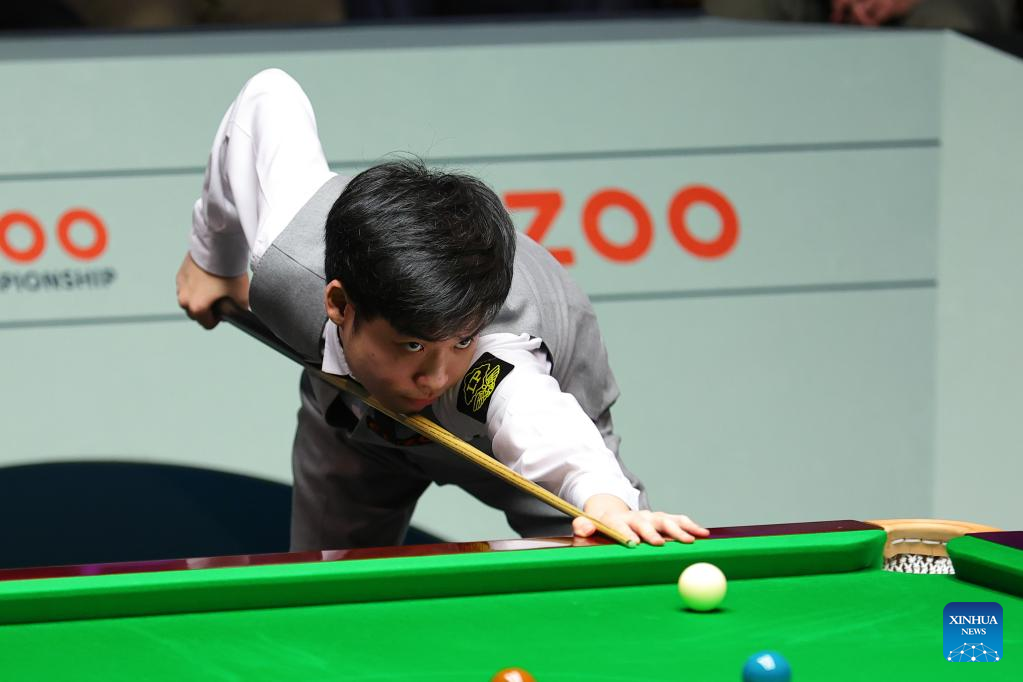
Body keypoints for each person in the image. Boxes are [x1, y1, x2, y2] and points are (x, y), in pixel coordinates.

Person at [176, 68, 708, 549]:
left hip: (511, 450)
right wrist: (213, 255)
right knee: (326, 586)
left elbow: (538, 422)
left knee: (599, 547)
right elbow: (268, 95)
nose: (435, 376)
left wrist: (603, 499)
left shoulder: (492, 363)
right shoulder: (291, 261)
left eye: (459, 342)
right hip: (354, 424)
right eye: (411, 345)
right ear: (338, 303)